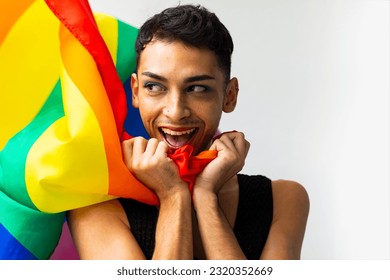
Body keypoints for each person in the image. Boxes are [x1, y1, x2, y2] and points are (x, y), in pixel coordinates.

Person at [67, 4, 309, 260]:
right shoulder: (96, 204)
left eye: (196, 89)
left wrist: (206, 197)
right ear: (136, 92)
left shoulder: (284, 199)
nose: (175, 111)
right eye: (154, 86)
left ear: (229, 96)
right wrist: (173, 196)